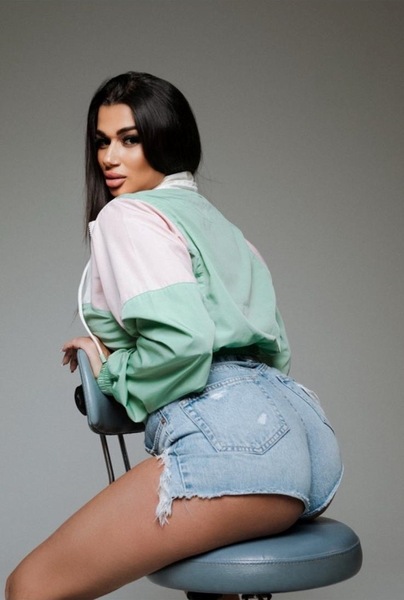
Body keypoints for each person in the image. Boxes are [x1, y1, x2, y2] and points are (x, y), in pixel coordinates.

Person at [6, 72, 343, 600]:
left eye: (130, 139)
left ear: (166, 138)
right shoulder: (220, 226)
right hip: (307, 441)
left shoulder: (128, 216)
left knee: (30, 587)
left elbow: (182, 343)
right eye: (101, 141)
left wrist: (108, 368)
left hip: (237, 445)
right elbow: (274, 350)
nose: (109, 158)